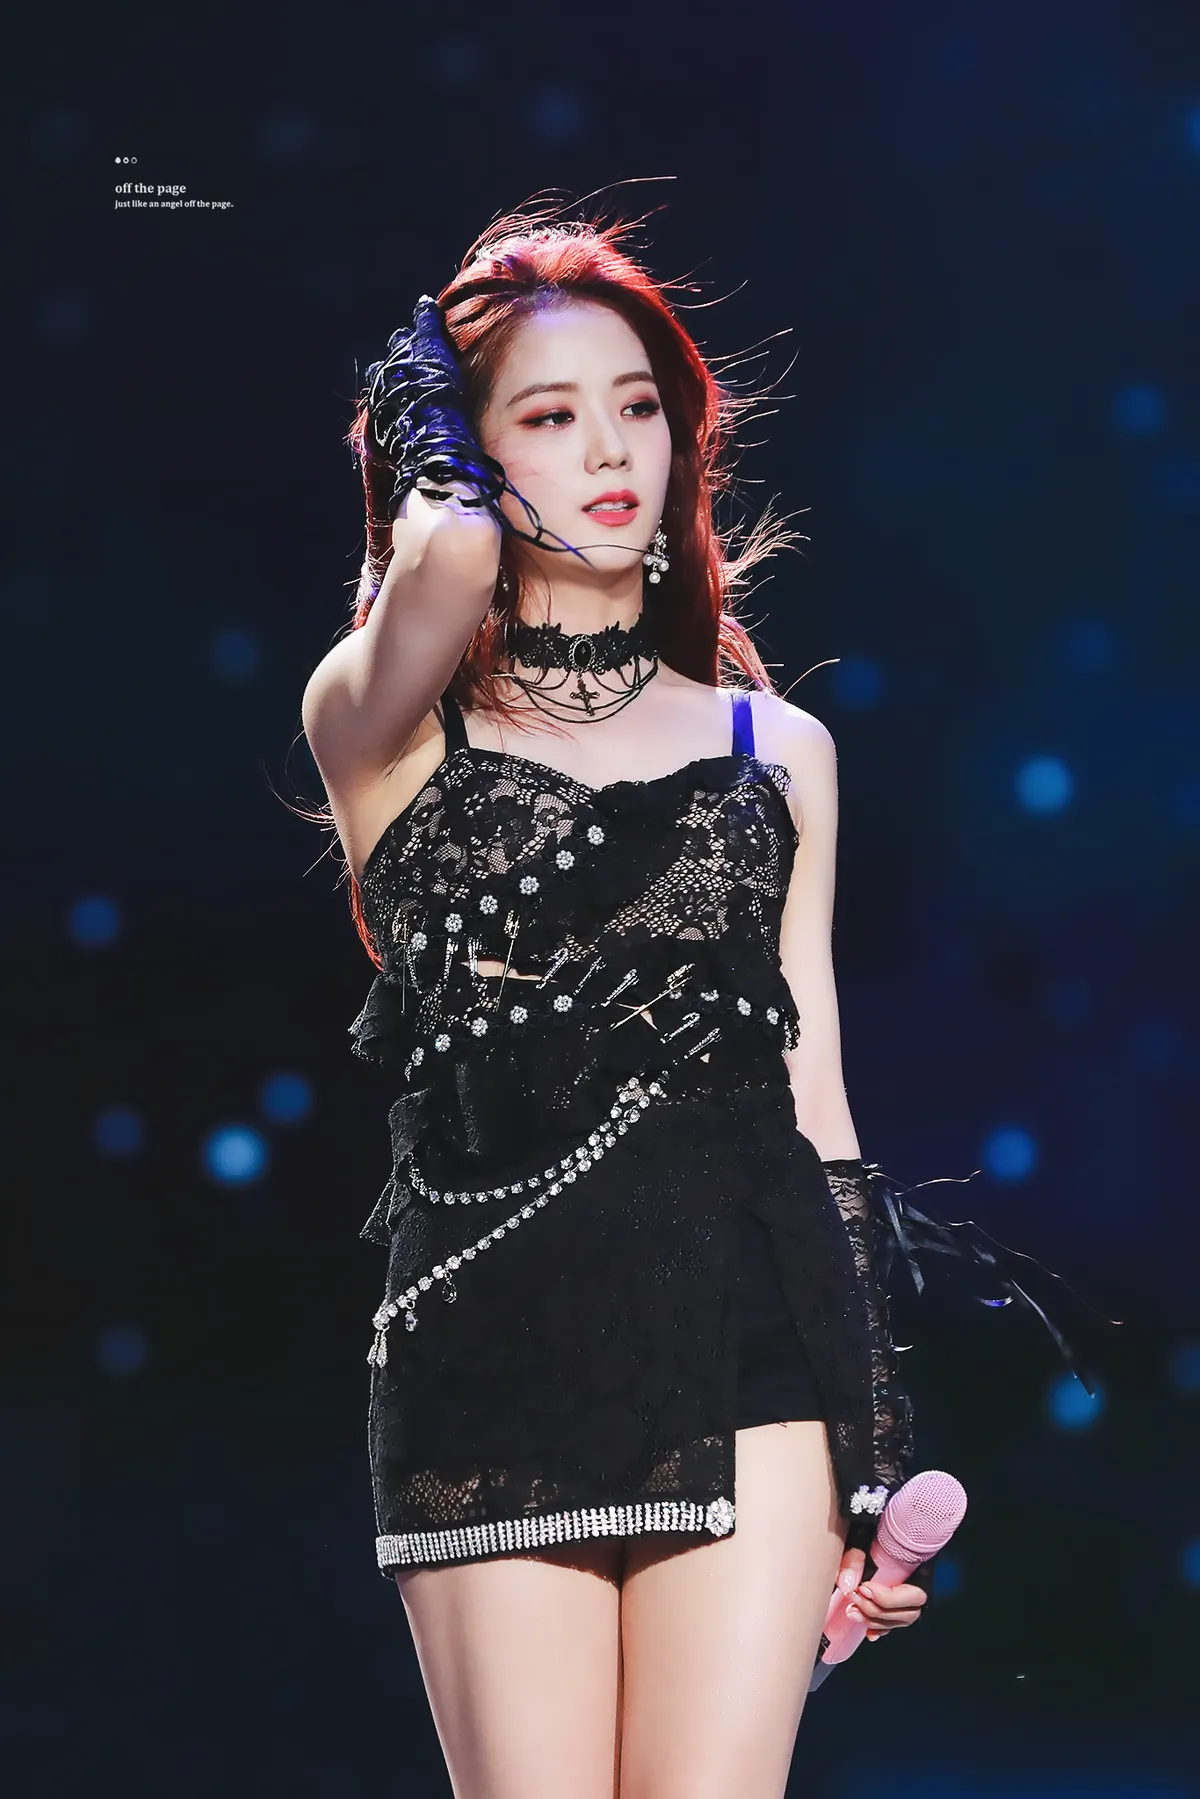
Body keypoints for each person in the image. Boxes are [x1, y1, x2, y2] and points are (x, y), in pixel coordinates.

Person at [301, 208, 935, 1799]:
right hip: (490, 1336)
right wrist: (428, 407)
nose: (609, 449)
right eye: (548, 412)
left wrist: (868, 1454)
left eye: (639, 404)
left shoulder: (779, 750)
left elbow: (818, 1112)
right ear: (462, 455)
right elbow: (448, 567)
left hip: (752, 1341)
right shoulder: (382, 722)